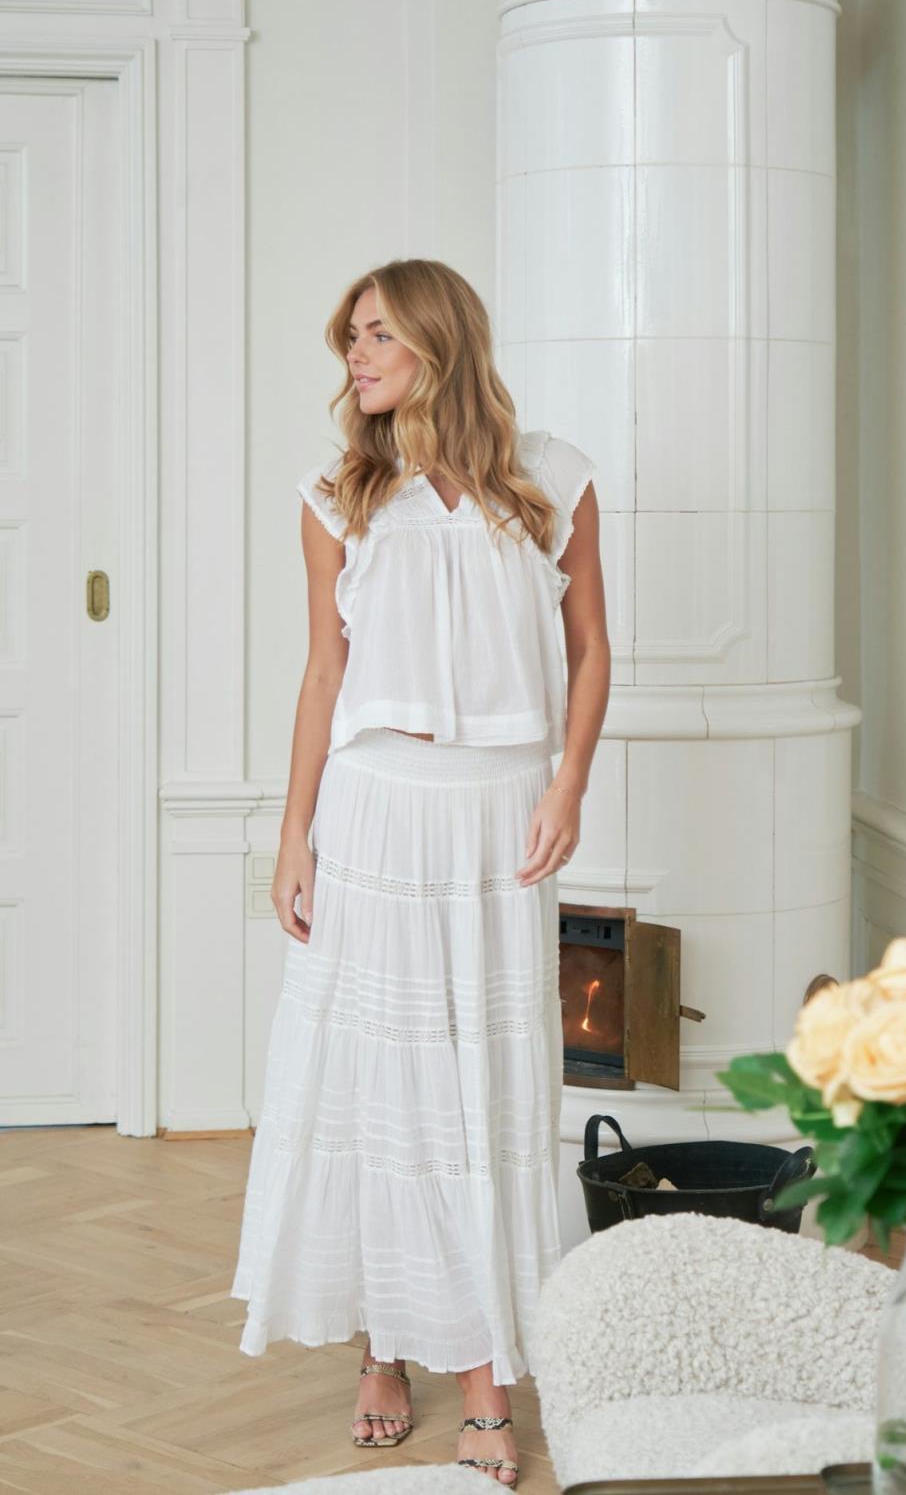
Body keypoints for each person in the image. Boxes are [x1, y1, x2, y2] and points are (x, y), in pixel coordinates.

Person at [230, 258, 610, 1487]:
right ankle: (386, 1344)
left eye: (377, 334)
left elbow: (592, 651)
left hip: (503, 814)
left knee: (488, 1095)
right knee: (384, 1090)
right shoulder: (339, 495)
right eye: (350, 337)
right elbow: (323, 674)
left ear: (439, 343)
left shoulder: (550, 479)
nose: (355, 356)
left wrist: (568, 784)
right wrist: (295, 835)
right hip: (377, 813)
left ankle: (487, 1372)